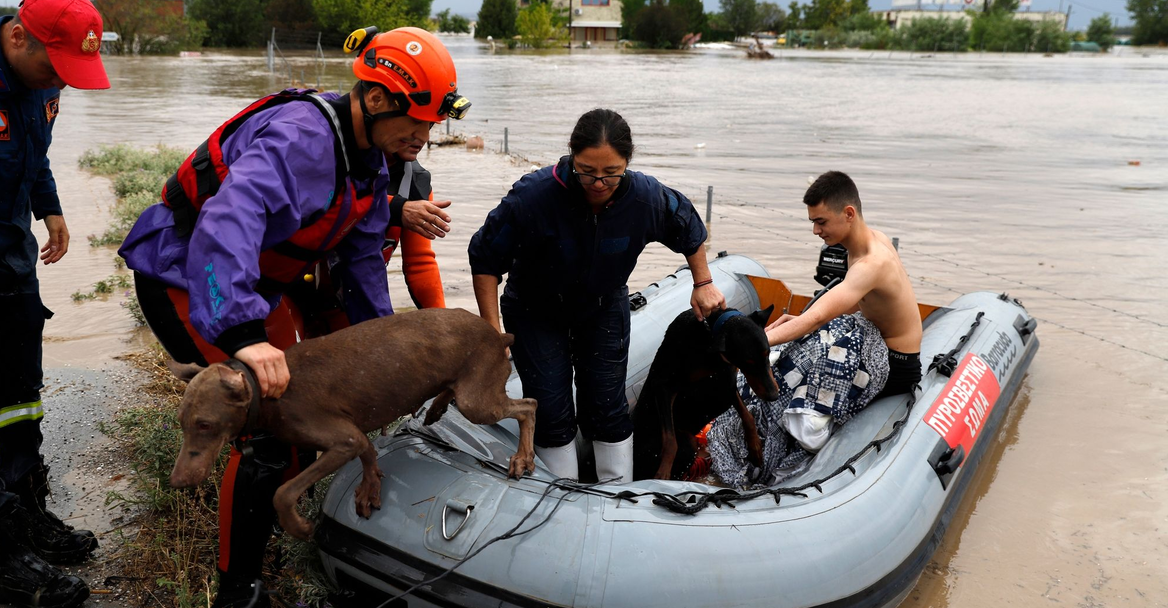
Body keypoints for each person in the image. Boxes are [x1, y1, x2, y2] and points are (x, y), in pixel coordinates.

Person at [118, 26, 467, 607]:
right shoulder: (303, 136)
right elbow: (227, 222)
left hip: (255, 282)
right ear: (377, 98)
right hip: (188, 274)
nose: (424, 139)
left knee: (303, 409)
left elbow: (361, 264)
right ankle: (240, 593)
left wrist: (387, 351)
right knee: (266, 428)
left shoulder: (370, 160)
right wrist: (244, 336)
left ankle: (267, 539)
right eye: (420, 122)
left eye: (433, 126)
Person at [469, 108, 725, 483]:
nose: (599, 183)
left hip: (603, 307)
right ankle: (560, 496)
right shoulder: (534, 197)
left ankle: (615, 493)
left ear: (627, 164)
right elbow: (485, 258)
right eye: (587, 170)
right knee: (552, 411)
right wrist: (492, 332)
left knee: (607, 405)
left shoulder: (644, 197)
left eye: (611, 174)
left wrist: (702, 283)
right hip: (535, 312)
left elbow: (687, 224)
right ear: (572, 155)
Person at [0, 0, 110, 608]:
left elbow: (35, 154)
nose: (64, 83)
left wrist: (49, 208)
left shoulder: (44, 76)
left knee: (20, 391)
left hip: (6, 252)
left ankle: (27, 514)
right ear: (19, 37)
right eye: (57, 70)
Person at [707, 171, 923, 488]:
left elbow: (818, 318)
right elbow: (849, 303)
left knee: (787, 366)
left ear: (848, 213)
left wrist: (754, 343)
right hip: (875, 341)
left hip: (895, 365)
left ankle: (803, 431)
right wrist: (796, 321)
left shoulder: (871, 263)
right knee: (789, 353)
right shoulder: (868, 242)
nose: (815, 230)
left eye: (821, 222)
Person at [383, 153, 449, 309]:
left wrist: (441, 320)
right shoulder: (335, 156)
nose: (423, 137)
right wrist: (397, 208)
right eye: (413, 127)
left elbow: (420, 262)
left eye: (429, 127)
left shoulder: (416, 181)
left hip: (357, 296)